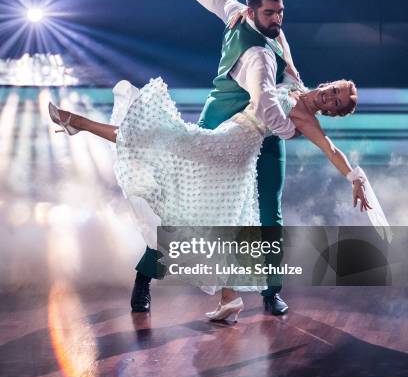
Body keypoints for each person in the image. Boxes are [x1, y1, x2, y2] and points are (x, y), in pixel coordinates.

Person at [49, 69, 380, 322]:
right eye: (334, 91)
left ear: (331, 112)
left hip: (225, 148)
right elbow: (282, 43)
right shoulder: (293, 81)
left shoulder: (305, 118)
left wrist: (354, 177)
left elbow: (330, 149)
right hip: (231, 153)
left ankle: (76, 121)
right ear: (329, 83)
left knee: (155, 141)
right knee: (222, 225)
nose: (330, 97)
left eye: (335, 103)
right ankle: (228, 297)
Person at [130, 0, 302, 316]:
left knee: (270, 210)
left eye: (280, 11)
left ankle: (271, 290)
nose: (277, 18)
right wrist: (291, 130)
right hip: (223, 129)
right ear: (251, 11)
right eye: (270, 13)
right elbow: (266, 104)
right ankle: (145, 275)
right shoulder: (251, 48)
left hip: (263, 135)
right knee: (190, 210)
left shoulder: (262, 26)